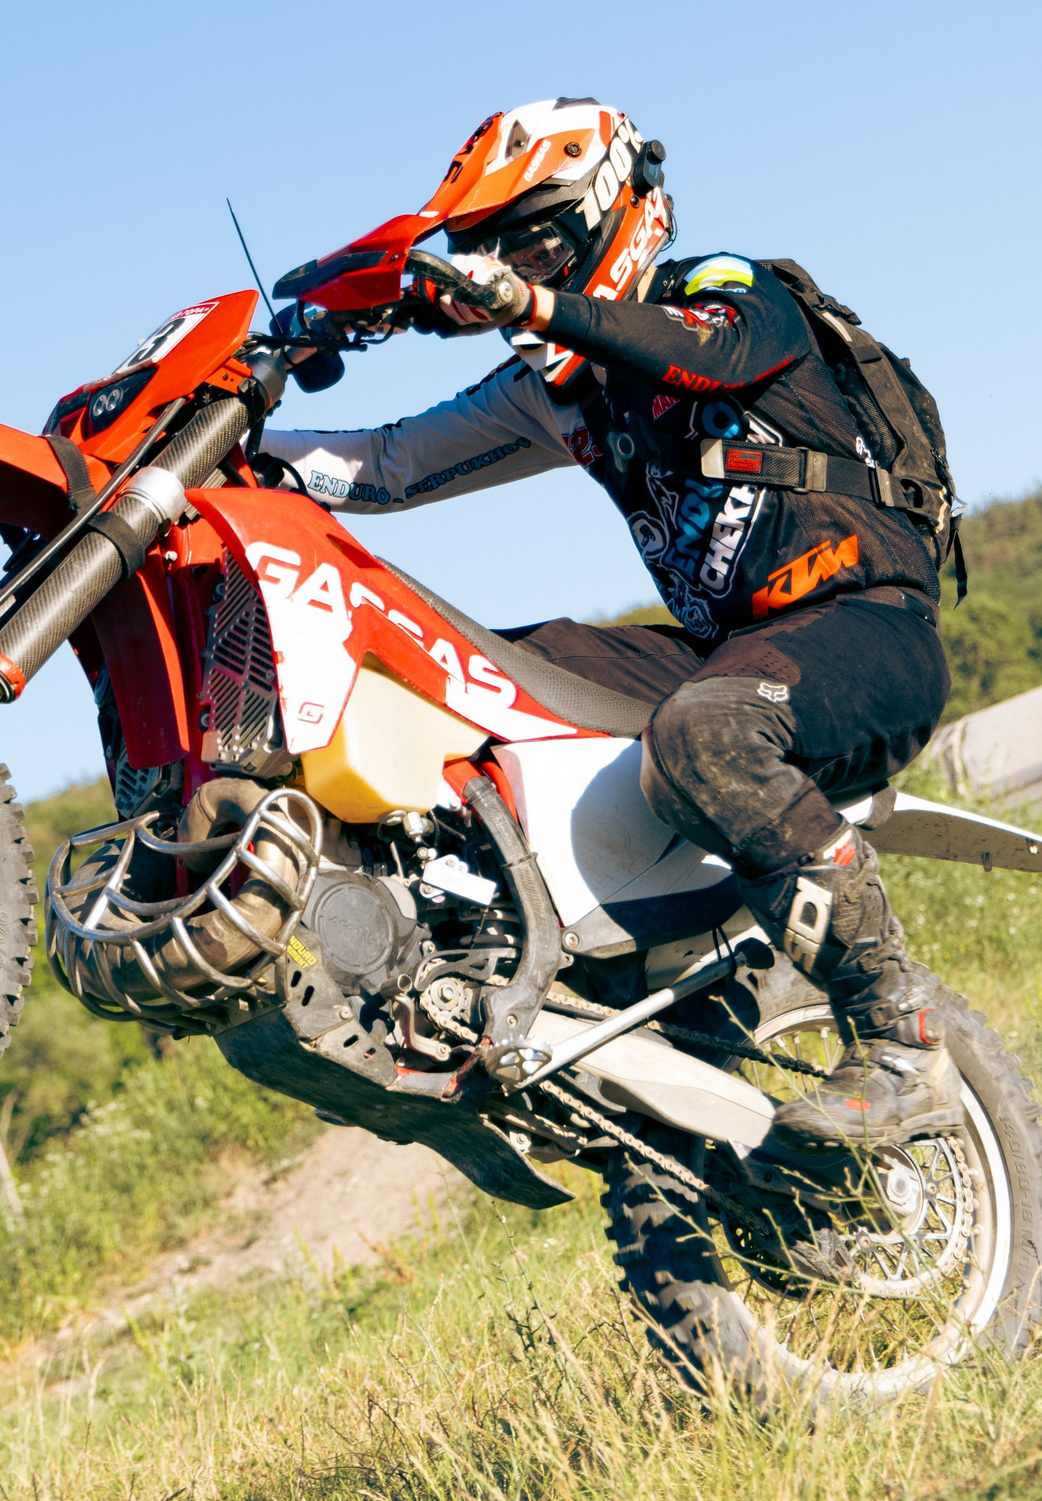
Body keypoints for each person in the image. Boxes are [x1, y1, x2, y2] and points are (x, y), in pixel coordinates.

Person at [259, 98, 959, 1148]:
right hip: (728, 654)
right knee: (477, 673)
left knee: (705, 730)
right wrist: (232, 447)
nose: (512, 271)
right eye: (496, 254)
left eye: (534, 243)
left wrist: (532, 302)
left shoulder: (731, 290)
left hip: (866, 626)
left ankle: (903, 1034)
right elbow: (389, 463)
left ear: (609, 211)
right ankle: (519, 979)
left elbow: (706, 356)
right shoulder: (561, 389)